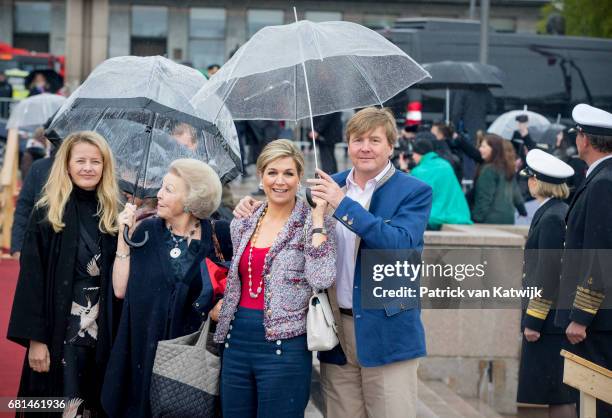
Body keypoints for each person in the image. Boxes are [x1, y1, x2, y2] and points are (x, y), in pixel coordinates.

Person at [235, 107, 433, 418]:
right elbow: (289, 217)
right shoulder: (327, 185)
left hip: (387, 331)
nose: (365, 147)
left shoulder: (413, 191)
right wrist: (252, 208)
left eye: (374, 140)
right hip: (335, 331)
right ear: (347, 144)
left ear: (391, 146)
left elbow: (399, 246)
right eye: (357, 140)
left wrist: (343, 204)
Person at [101, 158, 233, 418]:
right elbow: (119, 290)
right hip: (143, 348)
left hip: (191, 360)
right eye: (161, 187)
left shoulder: (221, 235)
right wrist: (123, 239)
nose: (159, 195)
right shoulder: (145, 231)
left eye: (169, 190)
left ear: (193, 199)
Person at [214, 139, 336, 418]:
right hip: (236, 342)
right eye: (272, 172)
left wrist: (318, 219)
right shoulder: (244, 220)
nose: (279, 181)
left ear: (299, 178)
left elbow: (322, 277)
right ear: (260, 176)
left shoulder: (313, 223)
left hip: (286, 347)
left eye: (288, 173)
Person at [7, 131, 121, 417]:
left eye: (96, 161)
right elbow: (31, 282)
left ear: (105, 167)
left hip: (101, 334)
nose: (88, 167)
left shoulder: (114, 216)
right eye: (80, 160)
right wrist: (35, 340)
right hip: (58, 332)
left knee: (93, 406)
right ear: (67, 165)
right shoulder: (47, 213)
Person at [555, 104, 612, 418]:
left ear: (585, 140)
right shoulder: (600, 178)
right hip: (599, 318)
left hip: (598, 321)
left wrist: (582, 315)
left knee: (596, 404)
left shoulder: (603, 182)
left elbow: (599, 254)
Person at [516, 149, 577, 418]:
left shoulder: (552, 217)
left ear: (536, 182)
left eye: (529, 178)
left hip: (548, 323)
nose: (527, 183)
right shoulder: (555, 211)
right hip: (552, 320)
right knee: (553, 391)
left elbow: (548, 273)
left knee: (555, 391)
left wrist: (533, 320)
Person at [407, 136, 472, 230]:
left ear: (420, 153)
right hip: (458, 214)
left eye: (414, 153)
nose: (412, 156)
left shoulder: (418, 171)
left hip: (430, 217)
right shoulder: (446, 165)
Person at [471, 134, 525, 224]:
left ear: (494, 149)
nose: (480, 149)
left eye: (484, 146)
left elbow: (484, 198)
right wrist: (522, 210)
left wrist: (476, 219)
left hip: (490, 220)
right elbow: (516, 193)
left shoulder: (489, 170)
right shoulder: (507, 168)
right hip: (508, 218)